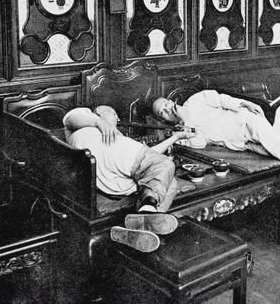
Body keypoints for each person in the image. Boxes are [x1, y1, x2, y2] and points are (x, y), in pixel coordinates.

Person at [63, 105, 195, 252]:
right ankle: (147, 209)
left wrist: (175, 137)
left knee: (170, 182)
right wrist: (99, 122)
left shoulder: (118, 138)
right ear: (100, 112)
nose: (118, 118)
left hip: (112, 179)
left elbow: (150, 155)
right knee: (166, 164)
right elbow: (70, 118)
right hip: (110, 172)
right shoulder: (87, 118)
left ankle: (142, 227)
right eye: (114, 114)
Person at [152, 89, 280, 179]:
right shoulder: (182, 133)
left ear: (171, 100)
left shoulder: (195, 100)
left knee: (273, 141)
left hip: (244, 122)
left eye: (166, 104)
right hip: (241, 144)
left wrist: (246, 104)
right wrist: (186, 120)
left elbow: (222, 99)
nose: (167, 109)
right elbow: (199, 143)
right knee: (275, 144)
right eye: (163, 112)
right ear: (163, 119)